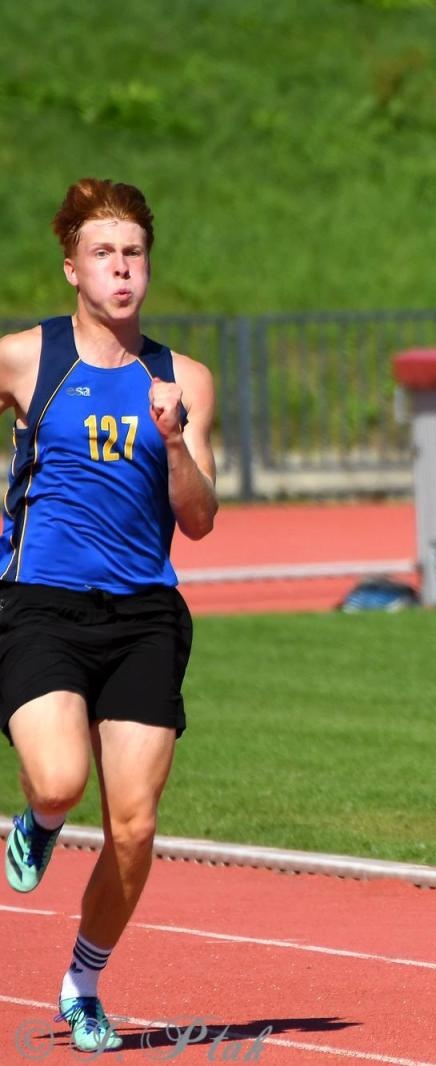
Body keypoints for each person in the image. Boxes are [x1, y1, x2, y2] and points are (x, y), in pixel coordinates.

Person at [0, 178, 218, 1051]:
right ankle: (40, 822)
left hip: (144, 615)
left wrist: (172, 440)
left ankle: (82, 983)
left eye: (133, 254)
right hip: (40, 606)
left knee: (134, 825)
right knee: (58, 780)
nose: (121, 268)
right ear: (72, 269)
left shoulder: (181, 377)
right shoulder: (26, 358)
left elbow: (199, 519)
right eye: (104, 254)